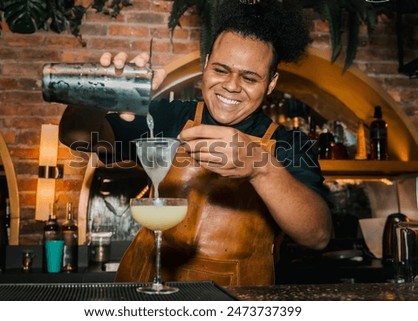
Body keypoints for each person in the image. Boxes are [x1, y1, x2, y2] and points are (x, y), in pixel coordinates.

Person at [59, 0, 332, 286]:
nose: (231, 85)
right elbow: (77, 139)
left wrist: (262, 169)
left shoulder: (289, 144)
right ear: (205, 65)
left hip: (238, 300)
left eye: (249, 77)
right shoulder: (170, 117)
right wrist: (94, 93)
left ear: (271, 83)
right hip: (144, 292)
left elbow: (317, 236)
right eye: (221, 70)